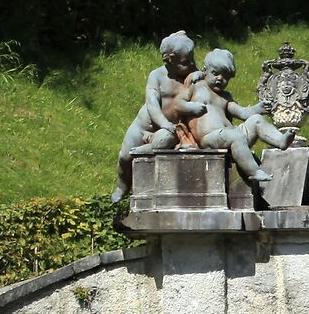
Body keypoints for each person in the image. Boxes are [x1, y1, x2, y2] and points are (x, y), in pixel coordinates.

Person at [111, 32, 204, 200]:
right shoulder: (157, 75)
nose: (191, 64)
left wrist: (200, 77)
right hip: (144, 125)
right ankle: (122, 187)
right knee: (124, 156)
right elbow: (152, 102)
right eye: (185, 62)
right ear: (170, 60)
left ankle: (146, 190)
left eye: (192, 59)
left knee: (154, 149)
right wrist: (162, 122)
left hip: (171, 130)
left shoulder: (192, 75)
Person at [185, 49, 295, 185]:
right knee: (235, 136)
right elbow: (180, 93)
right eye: (215, 73)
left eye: (225, 76)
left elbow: (243, 113)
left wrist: (257, 108)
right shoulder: (198, 87)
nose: (220, 79)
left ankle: (280, 140)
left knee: (256, 120)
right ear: (205, 71)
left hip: (231, 135)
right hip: (209, 138)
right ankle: (254, 171)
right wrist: (195, 75)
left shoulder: (225, 97)